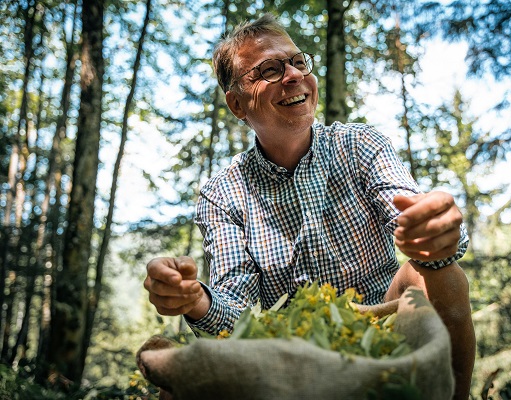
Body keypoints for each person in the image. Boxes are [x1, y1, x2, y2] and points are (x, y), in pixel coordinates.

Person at [144, 14, 475, 399]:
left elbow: (411, 212)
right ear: (237, 104)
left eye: (298, 62)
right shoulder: (223, 194)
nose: (293, 75)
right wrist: (196, 300)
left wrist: (434, 233)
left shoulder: (360, 146)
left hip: (383, 317)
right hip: (287, 350)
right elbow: (237, 310)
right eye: (269, 69)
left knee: (436, 273)